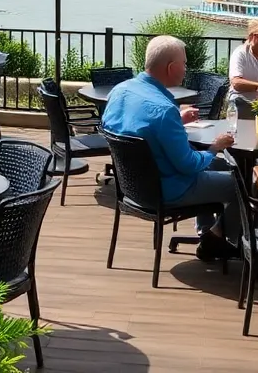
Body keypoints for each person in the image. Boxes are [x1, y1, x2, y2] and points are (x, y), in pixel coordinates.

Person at [102, 35, 239, 262]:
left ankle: (206, 230)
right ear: (171, 67)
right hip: (169, 190)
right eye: (184, 63)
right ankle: (215, 240)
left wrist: (177, 121)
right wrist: (215, 146)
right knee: (247, 187)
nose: (186, 68)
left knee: (217, 165)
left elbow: (137, 130)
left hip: (133, 188)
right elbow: (188, 165)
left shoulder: (120, 91)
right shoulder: (164, 110)